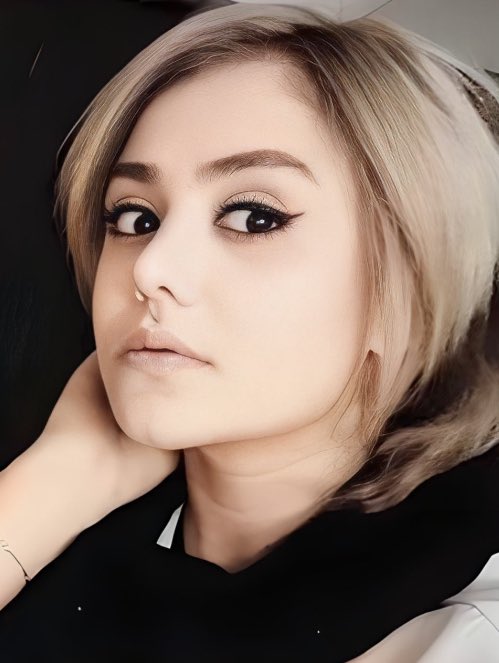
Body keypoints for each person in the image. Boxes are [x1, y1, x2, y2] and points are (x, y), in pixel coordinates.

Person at [1, 2, 499, 660]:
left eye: (253, 217)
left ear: (406, 294)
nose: (149, 268)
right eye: (134, 217)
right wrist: (54, 484)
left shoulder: (461, 632)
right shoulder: (64, 515)